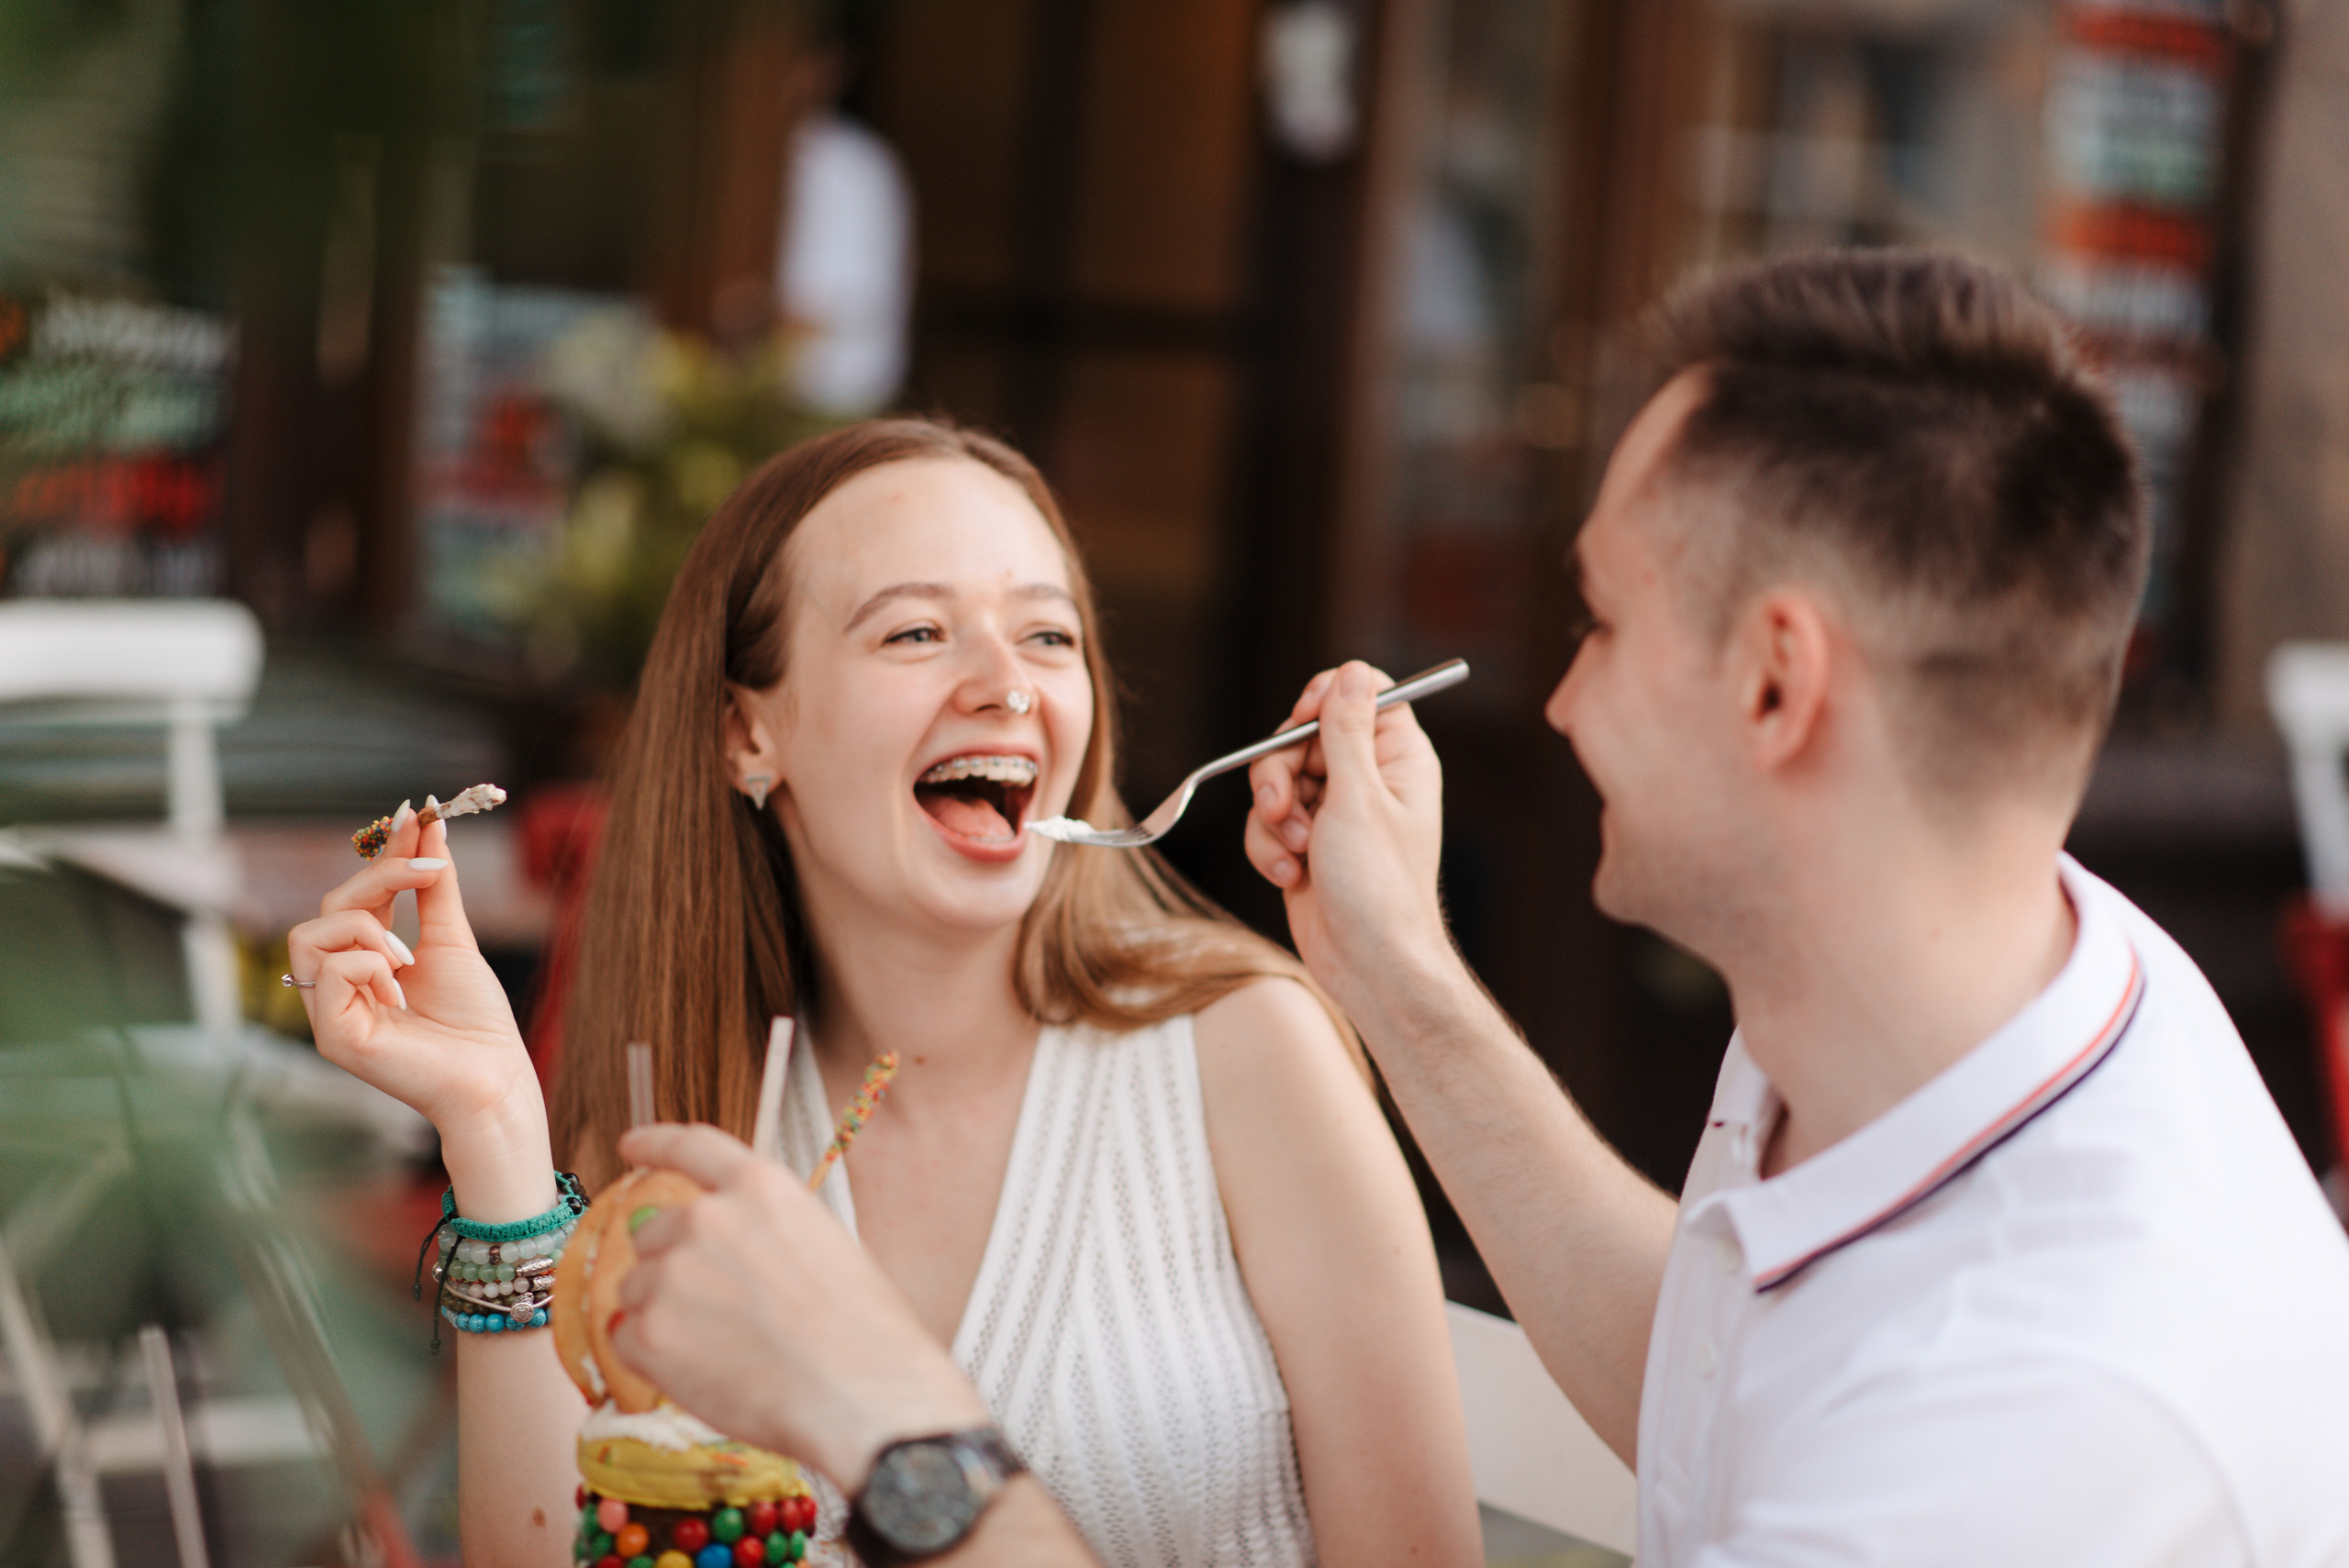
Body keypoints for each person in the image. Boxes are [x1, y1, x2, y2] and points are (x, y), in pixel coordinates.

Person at [611, 248, 2349, 1565]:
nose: (1563, 700)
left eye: (1597, 621)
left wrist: (899, 1428)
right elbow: (1718, 1356)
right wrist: (1393, 972)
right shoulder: (1991, 997)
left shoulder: (2024, 1431)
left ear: (1773, 684)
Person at [287, 419, 1481, 1568]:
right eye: (916, 633)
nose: (1008, 687)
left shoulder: (1251, 1055)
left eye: (1049, 637)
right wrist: (495, 1130)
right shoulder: (689, 1121)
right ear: (747, 733)